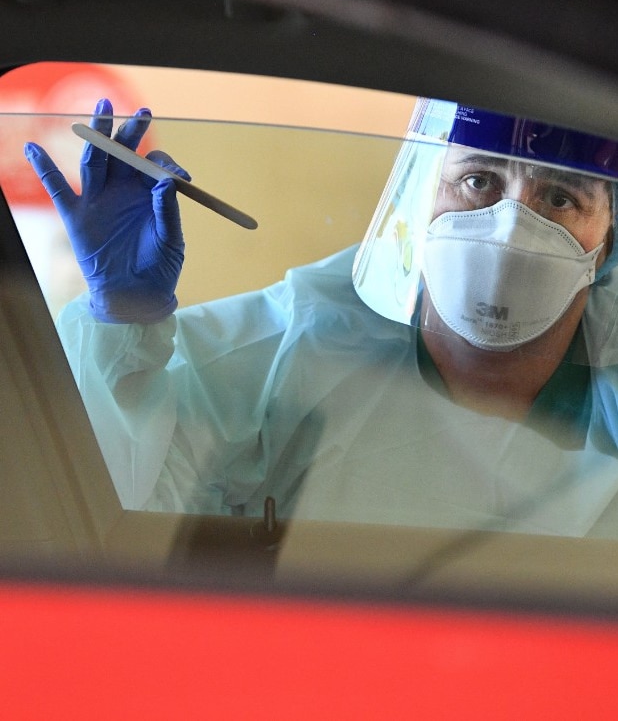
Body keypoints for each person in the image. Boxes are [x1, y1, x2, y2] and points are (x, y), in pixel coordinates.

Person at [23, 96, 618, 537]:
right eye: (478, 180)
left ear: (606, 242)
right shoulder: (303, 340)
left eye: (559, 197)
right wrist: (123, 321)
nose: (510, 228)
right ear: (420, 197)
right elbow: (108, 508)